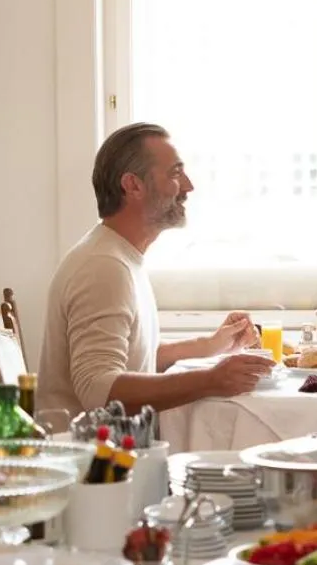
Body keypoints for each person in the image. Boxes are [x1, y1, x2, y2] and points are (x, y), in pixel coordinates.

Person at [36, 123, 274, 416]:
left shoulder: (118, 256)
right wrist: (212, 380)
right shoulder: (104, 267)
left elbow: (139, 357)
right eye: (175, 173)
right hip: (91, 459)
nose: (188, 186)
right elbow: (99, 390)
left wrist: (212, 345)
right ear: (133, 185)